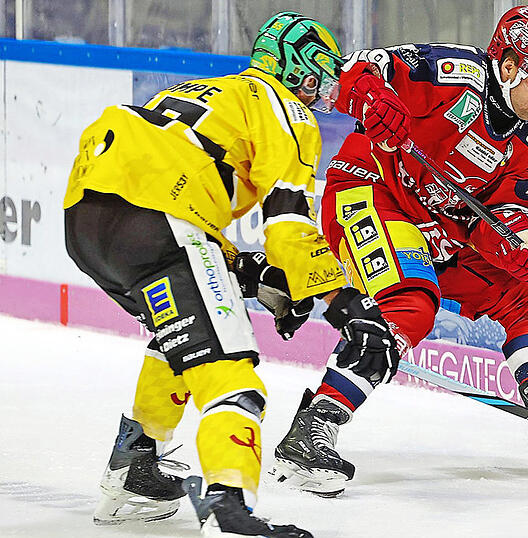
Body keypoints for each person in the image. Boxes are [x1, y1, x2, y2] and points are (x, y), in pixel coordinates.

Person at [63, 12, 395, 537]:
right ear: (300, 70)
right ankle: (228, 510)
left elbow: (183, 185)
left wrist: (254, 273)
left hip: (86, 218)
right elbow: (289, 227)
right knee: (234, 379)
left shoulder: (214, 90)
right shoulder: (287, 112)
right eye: (322, 77)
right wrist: (340, 299)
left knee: (182, 337)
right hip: (157, 222)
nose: (324, 92)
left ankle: (134, 470)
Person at [270, 5, 528, 497]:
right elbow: (354, 68)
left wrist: (520, 243)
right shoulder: (455, 75)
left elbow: (515, 217)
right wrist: (373, 100)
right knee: (411, 303)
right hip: (374, 190)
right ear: (511, 65)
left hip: (445, 229)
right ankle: (314, 427)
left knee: (527, 287)